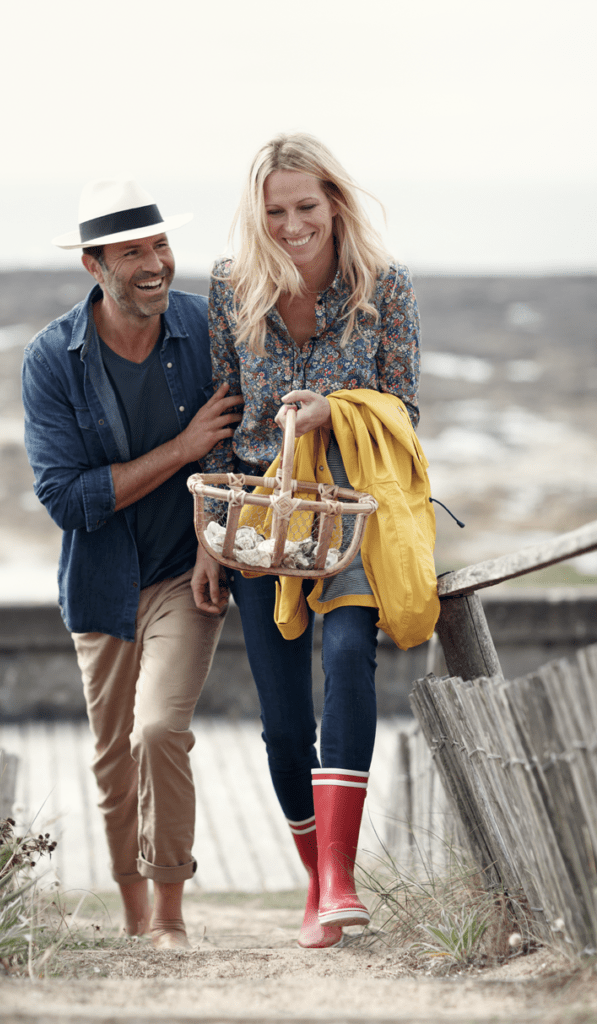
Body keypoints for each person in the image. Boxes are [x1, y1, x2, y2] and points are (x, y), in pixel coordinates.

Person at [192, 133, 438, 949]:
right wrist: (210, 543)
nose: (292, 225)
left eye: (305, 206)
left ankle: (339, 879)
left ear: (334, 200)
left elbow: (404, 410)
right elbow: (226, 425)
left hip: (353, 515)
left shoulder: (385, 287)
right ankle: (314, 878)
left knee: (344, 659)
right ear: (256, 216)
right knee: (285, 722)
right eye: (275, 212)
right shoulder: (230, 288)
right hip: (264, 523)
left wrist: (340, 409)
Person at [22, 179, 242, 949]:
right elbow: (68, 500)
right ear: (94, 266)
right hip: (102, 587)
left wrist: (217, 536)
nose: (155, 264)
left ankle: (172, 917)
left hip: (191, 573)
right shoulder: (52, 360)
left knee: (158, 733)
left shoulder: (207, 325)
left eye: (160, 246)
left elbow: (241, 452)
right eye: (132, 253)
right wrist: (181, 451)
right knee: (114, 767)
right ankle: (134, 917)